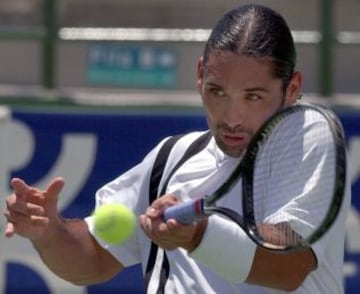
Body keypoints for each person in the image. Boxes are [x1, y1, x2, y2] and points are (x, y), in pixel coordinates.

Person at [4, 4, 351, 294]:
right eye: (217, 91)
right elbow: (92, 259)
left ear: (292, 88)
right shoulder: (171, 158)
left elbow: (287, 266)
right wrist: (49, 233)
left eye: (254, 96)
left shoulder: (312, 144)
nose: (232, 117)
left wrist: (198, 235)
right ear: (200, 75)